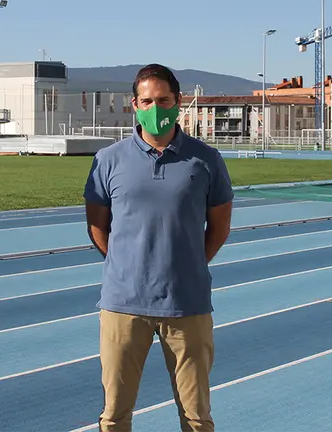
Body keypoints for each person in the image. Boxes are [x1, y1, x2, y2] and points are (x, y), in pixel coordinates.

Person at [83, 64, 234, 431]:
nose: (155, 108)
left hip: (187, 303)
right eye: (147, 100)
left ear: (178, 102)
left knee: (197, 417)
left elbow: (219, 227)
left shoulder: (206, 159)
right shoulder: (108, 159)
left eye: (163, 100)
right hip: (123, 304)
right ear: (134, 105)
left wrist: (188, 262)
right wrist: (127, 263)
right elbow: (97, 226)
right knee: (114, 416)